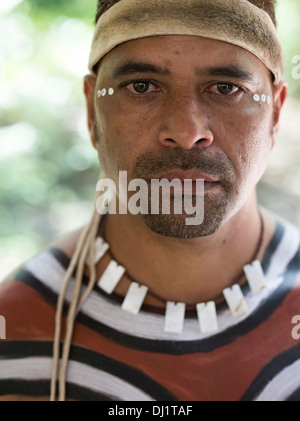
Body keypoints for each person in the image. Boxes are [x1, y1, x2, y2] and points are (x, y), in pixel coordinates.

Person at [0, 0, 299, 402]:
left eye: (226, 88)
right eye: (141, 85)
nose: (186, 130)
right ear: (92, 111)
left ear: (275, 114)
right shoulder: (18, 333)